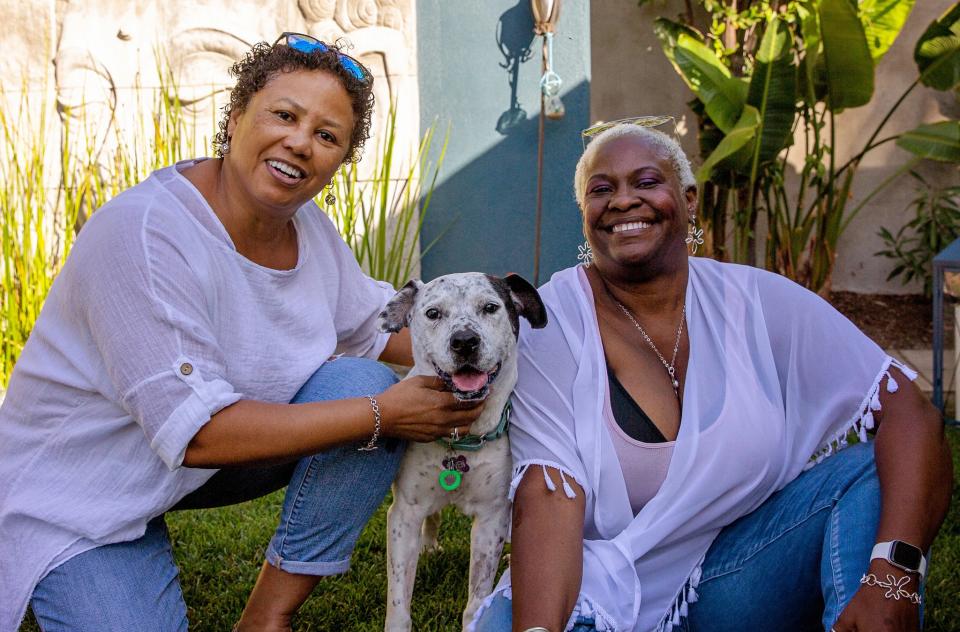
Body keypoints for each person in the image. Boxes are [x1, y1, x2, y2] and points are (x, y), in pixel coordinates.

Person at [0, 33, 486, 632]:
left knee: (356, 381)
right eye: (284, 115)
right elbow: (198, 433)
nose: (300, 143)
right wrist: (383, 414)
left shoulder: (307, 228)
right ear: (235, 117)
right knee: (371, 406)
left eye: (327, 136)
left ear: (338, 161)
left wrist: (500, 342)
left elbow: (376, 328)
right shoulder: (144, 234)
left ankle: (265, 618)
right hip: (82, 492)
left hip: (186, 467)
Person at [471, 121, 953, 632]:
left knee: (870, 469)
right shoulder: (553, 322)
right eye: (602, 190)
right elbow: (549, 494)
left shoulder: (756, 302)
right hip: (599, 586)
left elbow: (910, 411)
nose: (624, 201)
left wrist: (893, 575)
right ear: (586, 215)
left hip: (733, 576)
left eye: (647, 182)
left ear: (689, 199)